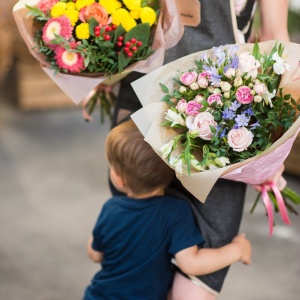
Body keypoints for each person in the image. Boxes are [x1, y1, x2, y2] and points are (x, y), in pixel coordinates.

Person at [107, 1, 290, 299]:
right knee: (142, 255)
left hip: (221, 124)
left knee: (181, 259)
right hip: (157, 115)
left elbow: (276, 42)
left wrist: (276, 141)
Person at [83, 119, 252, 300]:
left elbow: (94, 254)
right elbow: (191, 263)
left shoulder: (111, 208)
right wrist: (237, 250)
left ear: (119, 179)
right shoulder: (176, 212)